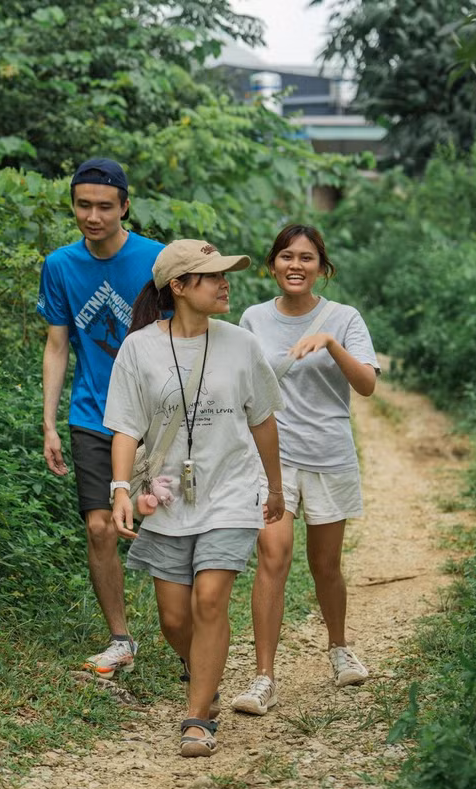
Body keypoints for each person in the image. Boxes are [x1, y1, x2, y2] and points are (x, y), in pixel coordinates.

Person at [104, 239, 285, 757]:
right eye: (212, 277)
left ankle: (198, 714)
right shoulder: (140, 348)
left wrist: (273, 487)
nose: (225, 283)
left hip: (230, 489)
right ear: (178, 287)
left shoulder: (241, 344)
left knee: (210, 599)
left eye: (225, 274)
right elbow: (124, 428)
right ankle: (204, 668)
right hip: (166, 497)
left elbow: (263, 420)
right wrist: (121, 488)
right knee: (175, 620)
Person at [231, 223, 379, 716]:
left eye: (307, 258)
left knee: (325, 565)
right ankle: (263, 677)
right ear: (272, 265)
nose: (296, 265)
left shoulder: (344, 318)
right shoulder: (252, 319)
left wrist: (331, 345)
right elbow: (240, 390)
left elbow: (367, 387)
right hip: (272, 458)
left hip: (329, 454)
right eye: (286, 257)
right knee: (273, 555)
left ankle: (338, 647)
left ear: (322, 268)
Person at [37, 158, 164, 677]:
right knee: (98, 528)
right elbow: (56, 344)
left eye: (104, 206)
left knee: (167, 523)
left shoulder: (157, 261)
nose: (93, 216)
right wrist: (49, 422)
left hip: (157, 416)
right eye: (83, 205)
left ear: (125, 206)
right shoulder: (61, 265)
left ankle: (186, 630)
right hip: (93, 413)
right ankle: (121, 640)